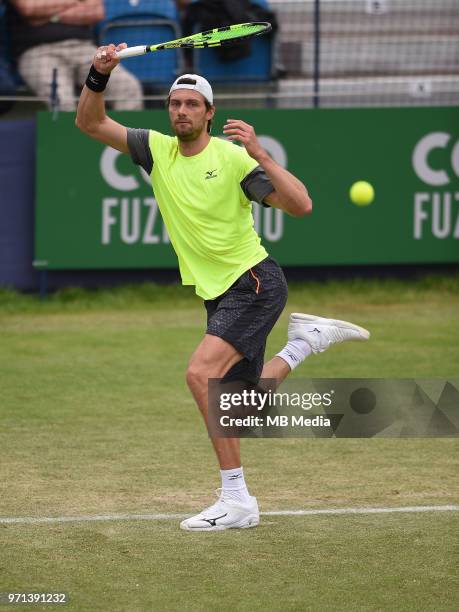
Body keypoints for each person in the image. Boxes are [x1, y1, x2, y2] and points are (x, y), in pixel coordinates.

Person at [76, 43, 370, 532]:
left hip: (253, 281)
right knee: (241, 411)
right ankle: (302, 345)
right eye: (175, 103)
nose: (182, 110)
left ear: (210, 113)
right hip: (217, 293)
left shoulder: (234, 160)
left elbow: (301, 206)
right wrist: (98, 73)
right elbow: (90, 123)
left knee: (199, 374)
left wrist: (259, 153)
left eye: (192, 104)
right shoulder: (155, 149)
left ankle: (237, 500)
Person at [7, 0, 143, 111]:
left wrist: (50, 15)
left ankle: (123, 143)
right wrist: (76, 2)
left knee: (128, 87)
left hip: (84, 48)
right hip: (37, 52)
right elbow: (29, 8)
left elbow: (96, 12)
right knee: (61, 100)